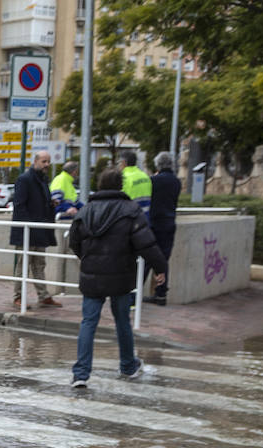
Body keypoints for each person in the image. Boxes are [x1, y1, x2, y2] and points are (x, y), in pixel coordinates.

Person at [67, 168, 167, 389]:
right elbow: (146, 243)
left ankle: (81, 373)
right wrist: (161, 268)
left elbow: (74, 242)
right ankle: (128, 366)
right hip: (121, 274)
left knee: (88, 322)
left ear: (100, 185)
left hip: (92, 276)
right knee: (122, 320)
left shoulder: (86, 211)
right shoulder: (131, 210)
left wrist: (88, 259)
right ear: (120, 185)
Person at [10, 151, 61, 309]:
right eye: (44, 161)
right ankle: (18, 297)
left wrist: (50, 204)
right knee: (23, 265)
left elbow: (38, 203)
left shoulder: (42, 180)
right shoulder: (25, 179)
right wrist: (29, 226)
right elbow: (19, 206)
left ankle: (43, 296)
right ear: (36, 161)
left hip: (40, 230)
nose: (47, 165)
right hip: (28, 230)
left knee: (39, 264)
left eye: (48, 162)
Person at [145, 151, 181, 306]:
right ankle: (161, 295)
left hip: (154, 224)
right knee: (163, 260)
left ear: (157, 165)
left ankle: (134, 291)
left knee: (147, 259)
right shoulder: (176, 182)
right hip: (169, 223)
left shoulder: (153, 181)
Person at [119, 150, 152, 218]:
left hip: (131, 220)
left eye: (119, 162)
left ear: (124, 162)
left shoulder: (123, 178)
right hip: (145, 219)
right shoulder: (145, 176)